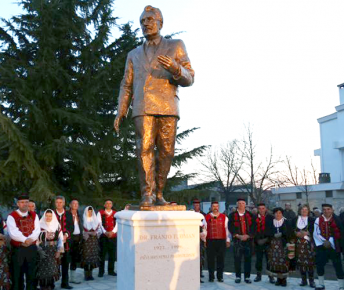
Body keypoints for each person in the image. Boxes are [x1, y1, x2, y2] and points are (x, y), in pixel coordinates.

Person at [114, 5, 195, 206]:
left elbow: (190, 77)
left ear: (160, 22)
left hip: (167, 106)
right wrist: (121, 110)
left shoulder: (176, 45)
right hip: (143, 107)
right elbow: (126, 83)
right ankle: (147, 194)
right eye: (142, 21)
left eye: (149, 20)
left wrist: (175, 68)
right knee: (144, 149)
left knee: (167, 152)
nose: (145, 24)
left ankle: (159, 193)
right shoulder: (133, 54)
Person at [6, 194, 40, 290]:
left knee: (31, 273)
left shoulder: (34, 215)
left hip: (31, 248)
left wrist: (30, 240)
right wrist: (24, 240)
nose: (24, 204)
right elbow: (13, 232)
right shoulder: (12, 216)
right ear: (18, 204)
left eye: (26, 202)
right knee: (17, 274)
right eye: (22, 202)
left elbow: (37, 230)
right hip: (18, 249)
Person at [313, 204, 344, 290]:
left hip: (334, 246)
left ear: (332, 210)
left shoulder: (337, 219)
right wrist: (324, 241)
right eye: (324, 209)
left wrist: (330, 241)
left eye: (328, 209)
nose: (326, 211)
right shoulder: (318, 219)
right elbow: (316, 233)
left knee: (337, 265)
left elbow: (340, 232)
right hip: (322, 246)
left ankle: (341, 286)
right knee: (320, 264)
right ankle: (321, 284)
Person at [228, 198, 255, 283]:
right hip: (237, 240)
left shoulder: (250, 215)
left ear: (245, 205)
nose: (241, 205)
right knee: (237, 259)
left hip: (248, 240)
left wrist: (248, 235)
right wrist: (238, 235)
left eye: (243, 203)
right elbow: (230, 227)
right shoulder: (232, 215)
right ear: (237, 204)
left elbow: (253, 227)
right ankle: (238, 276)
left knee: (248, 259)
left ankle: (247, 277)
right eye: (239, 203)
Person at [36, 209, 64, 290]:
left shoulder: (57, 226)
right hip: (43, 250)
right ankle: (43, 286)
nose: (48, 217)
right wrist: (38, 249)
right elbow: (36, 239)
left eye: (50, 216)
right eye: (47, 216)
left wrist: (59, 251)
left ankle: (51, 285)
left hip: (53, 251)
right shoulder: (39, 225)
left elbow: (60, 239)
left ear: (53, 216)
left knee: (52, 268)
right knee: (43, 269)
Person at [205, 201, 231, 283]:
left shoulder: (224, 217)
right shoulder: (206, 217)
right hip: (210, 241)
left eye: (216, 206)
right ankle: (211, 277)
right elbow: (204, 230)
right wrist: (204, 240)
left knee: (221, 259)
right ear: (211, 207)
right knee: (210, 260)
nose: (215, 208)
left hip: (221, 241)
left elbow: (227, 229)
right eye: (213, 206)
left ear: (218, 207)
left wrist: (228, 240)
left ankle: (220, 277)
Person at [267, 207, 292, 286]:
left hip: (283, 245)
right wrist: (273, 235)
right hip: (273, 246)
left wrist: (283, 235)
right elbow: (267, 233)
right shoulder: (271, 222)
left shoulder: (286, 222)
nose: (278, 214)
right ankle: (278, 279)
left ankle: (284, 279)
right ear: (274, 214)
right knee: (275, 262)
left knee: (284, 262)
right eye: (276, 213)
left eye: (279, 213)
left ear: (282, 214)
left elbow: (290, 233)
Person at [53, 196, 74, 289]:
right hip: (53, 242)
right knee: (53, 263)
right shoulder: (51, 213)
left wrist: (65, 236)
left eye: (61, 202)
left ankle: (65, 283)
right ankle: (51, 283)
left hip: (66, 243)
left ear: (64, 203)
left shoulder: (68, 214)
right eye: (57, 202)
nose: (59, 204)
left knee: (65, 263)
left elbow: (71, 227)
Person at [293, 205, 316, 288]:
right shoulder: (295, 219)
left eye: (306, 209)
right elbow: (291, 229)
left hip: (309, 243)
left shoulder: (312, 220)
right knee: (301, 261)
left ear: (308, 211)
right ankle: (303, 280)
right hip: (298, 243)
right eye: (302, 209)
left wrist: (308, 233)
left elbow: (315, 230)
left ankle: (311, 280)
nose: (304, 211)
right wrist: (296, 233)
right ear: (300, 210)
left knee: (310, 262)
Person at [254, 203, 274, 283]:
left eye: (263, 208)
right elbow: (253, 229)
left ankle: (271, 276)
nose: (261, 210)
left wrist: (267, 239)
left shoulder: (271, 217)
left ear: (265, 209)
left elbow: (272, 229)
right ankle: (258, 275)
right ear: (258, 209)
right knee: (258, 259)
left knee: (269, 260)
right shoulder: (254, 217)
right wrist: (257, 239)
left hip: (268, 241)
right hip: (258, 241)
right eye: (260, 208)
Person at [97, 199, 117, 277]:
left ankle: (111, 270)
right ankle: (101, 271)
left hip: (113, 236)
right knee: (102, 254)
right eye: (107, 203)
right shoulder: (100, 213)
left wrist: (113, 232)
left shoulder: (116, 213)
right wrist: (105, 232)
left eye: (110, 203)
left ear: (112, 205)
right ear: (104, 205)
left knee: (112, 254)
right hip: (104, 236)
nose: (108, 205)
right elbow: (99, 224)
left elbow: (117, 224)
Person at [82, 206, 102, 280]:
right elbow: (82, 229)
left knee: (93, 257)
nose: (89, 213)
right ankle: (86, 274)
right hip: (86, 241)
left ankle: (91, 274)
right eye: (88, 211)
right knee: (86, 257)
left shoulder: (95, 220)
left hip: (94, 241)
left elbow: (99, 230)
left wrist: (96, 233)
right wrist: (88, 233)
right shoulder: (83, 219)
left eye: (91, 211)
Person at [69, 197, 83, 284]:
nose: (75, 205)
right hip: (70, 238)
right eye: (74, 203)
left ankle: (73, 278)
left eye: (77, 204)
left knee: (75, 258)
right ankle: (65, 278)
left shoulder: (79, 214)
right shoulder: (67, 214)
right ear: (70, 205)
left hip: (78, 238)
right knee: (67, 258)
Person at [192, 199, 206, 281]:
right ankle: (193, 273)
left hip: (201, 239)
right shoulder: (190, 215)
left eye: (197, 205)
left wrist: (204, 236)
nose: (196, 206)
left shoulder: (203, 215)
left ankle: (200, 273)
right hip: (192, 239)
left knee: (201, 257)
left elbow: (205, 227)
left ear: (199, 205)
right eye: (195, 205)